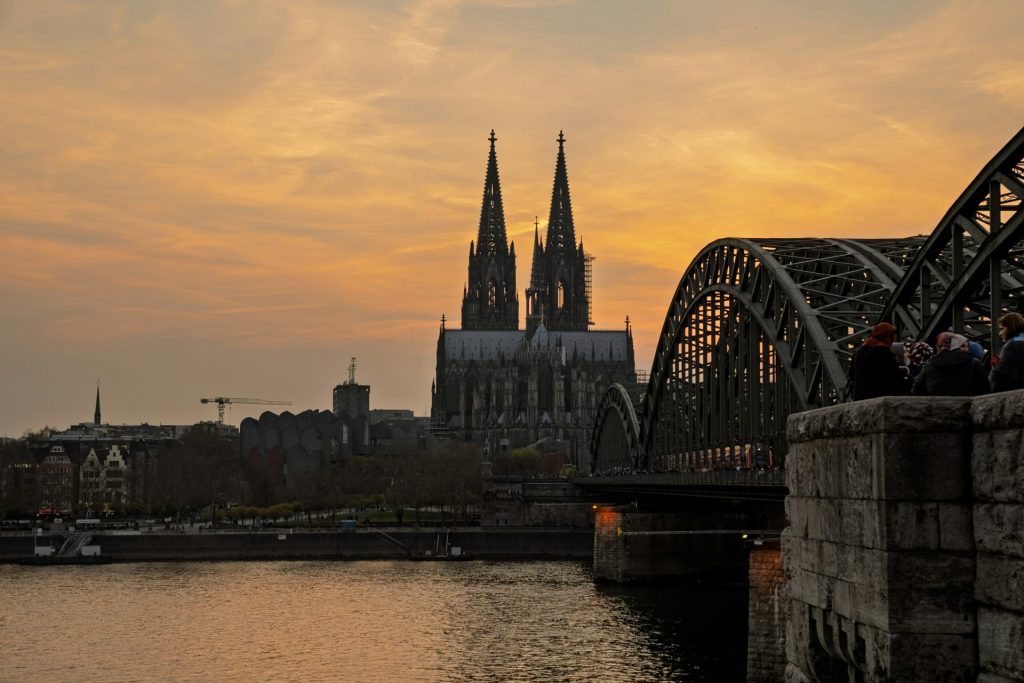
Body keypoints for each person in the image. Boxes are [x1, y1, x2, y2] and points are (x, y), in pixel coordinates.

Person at [912, 333, 989, 396]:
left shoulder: (930, 364)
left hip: (937, 408)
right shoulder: (973, 362)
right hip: (968, 408)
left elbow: (916, 390)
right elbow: (985, 389)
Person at [850, 322, 910, 400]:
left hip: (860, 397)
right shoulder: (884, 351)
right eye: (891, 337)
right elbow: (893, 374)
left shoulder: (859, 350)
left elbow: (852, 374)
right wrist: (906, 371)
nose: (893, 340)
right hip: (881, 396)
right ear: (887, 337)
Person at [990, 312, 1024, 392]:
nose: (1000, 333)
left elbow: (1000, 374)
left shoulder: (1012, 345)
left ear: (1011, 328)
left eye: (1002, 329)